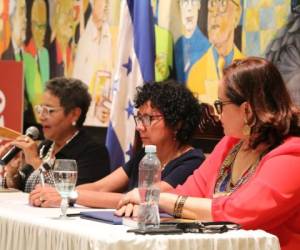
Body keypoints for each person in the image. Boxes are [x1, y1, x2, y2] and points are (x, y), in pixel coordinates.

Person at [116, 57, 300, 250]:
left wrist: (152, 197)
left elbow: (237, 213)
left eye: (220, 105)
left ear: (247, 111)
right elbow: (187, 192)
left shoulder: (292, 155)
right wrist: (145, 205)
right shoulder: (231, 143)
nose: (217, 114)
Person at [29, 80, 206, 208]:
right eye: (139, 118)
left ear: (177, 123)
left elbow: (142, 198)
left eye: (148, 119)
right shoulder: (145, 156)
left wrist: (69, 195)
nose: (139, 127)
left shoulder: (192, 162)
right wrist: (55, 192)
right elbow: (100, 186)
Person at [1, 77, 110, 192]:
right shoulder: (46, 146)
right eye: (41, 109)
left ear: (74, 114)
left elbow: (71, 197)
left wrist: (35, 161)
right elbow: (22, 189)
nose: (41, 117)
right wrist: (13, 172)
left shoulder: (93, 152)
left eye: (49, 110)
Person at [187, 0, 244, 104]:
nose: (214, 15)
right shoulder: (196, 72)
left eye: (222, 6)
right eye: (211, 8)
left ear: (237, 14)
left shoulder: (247, 69)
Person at [175, 0, 210, 82]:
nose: (189, 8)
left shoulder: (206, 46)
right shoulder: (177, 44)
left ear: (199, 6)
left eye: (193, 2)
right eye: (185, 3)